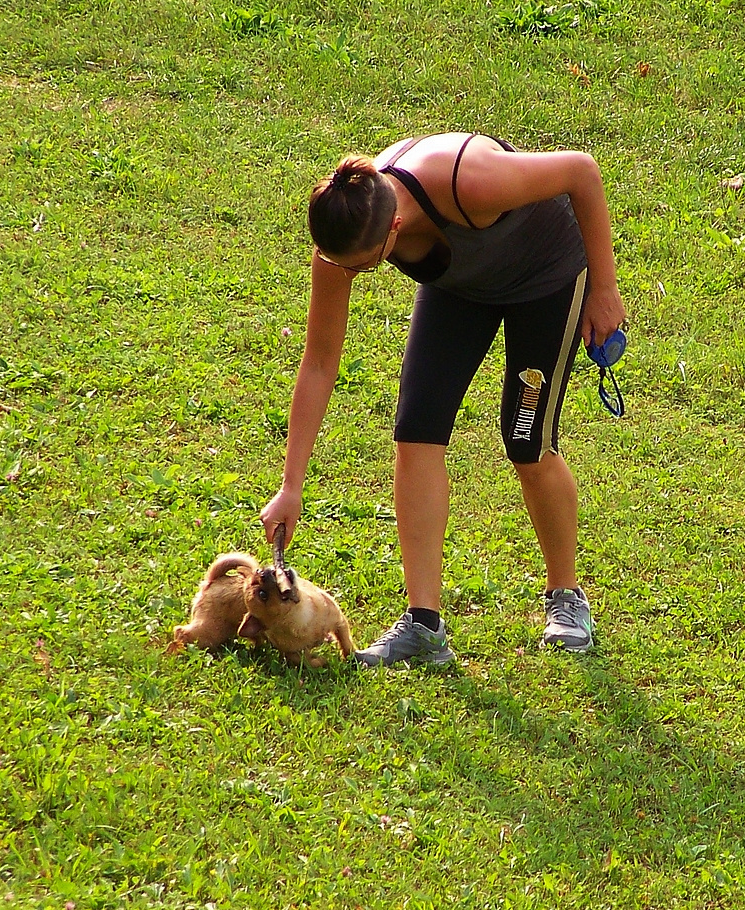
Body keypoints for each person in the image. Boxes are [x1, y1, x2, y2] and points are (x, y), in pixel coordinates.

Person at [259, 131, 626, 667]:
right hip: (461, 290)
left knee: (526, 441)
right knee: (416, 430)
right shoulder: (346, 236)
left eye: (365, 266)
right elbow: (318, 364)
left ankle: (566, 599)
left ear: (396, 229)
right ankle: (423, 627)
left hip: (543, 278)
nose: (351, 274)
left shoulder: (469, 181)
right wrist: (291, 486)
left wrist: (603, 288)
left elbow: (583, 173)